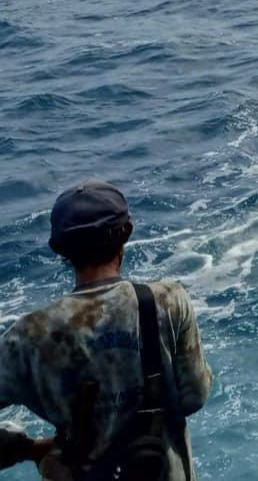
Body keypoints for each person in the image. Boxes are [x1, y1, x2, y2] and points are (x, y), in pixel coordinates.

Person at [0, 182, 212, 479]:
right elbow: (194, 397)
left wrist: (26, 449)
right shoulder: (169, 301)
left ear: (57, 248)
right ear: (127, 232)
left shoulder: (27, 335)